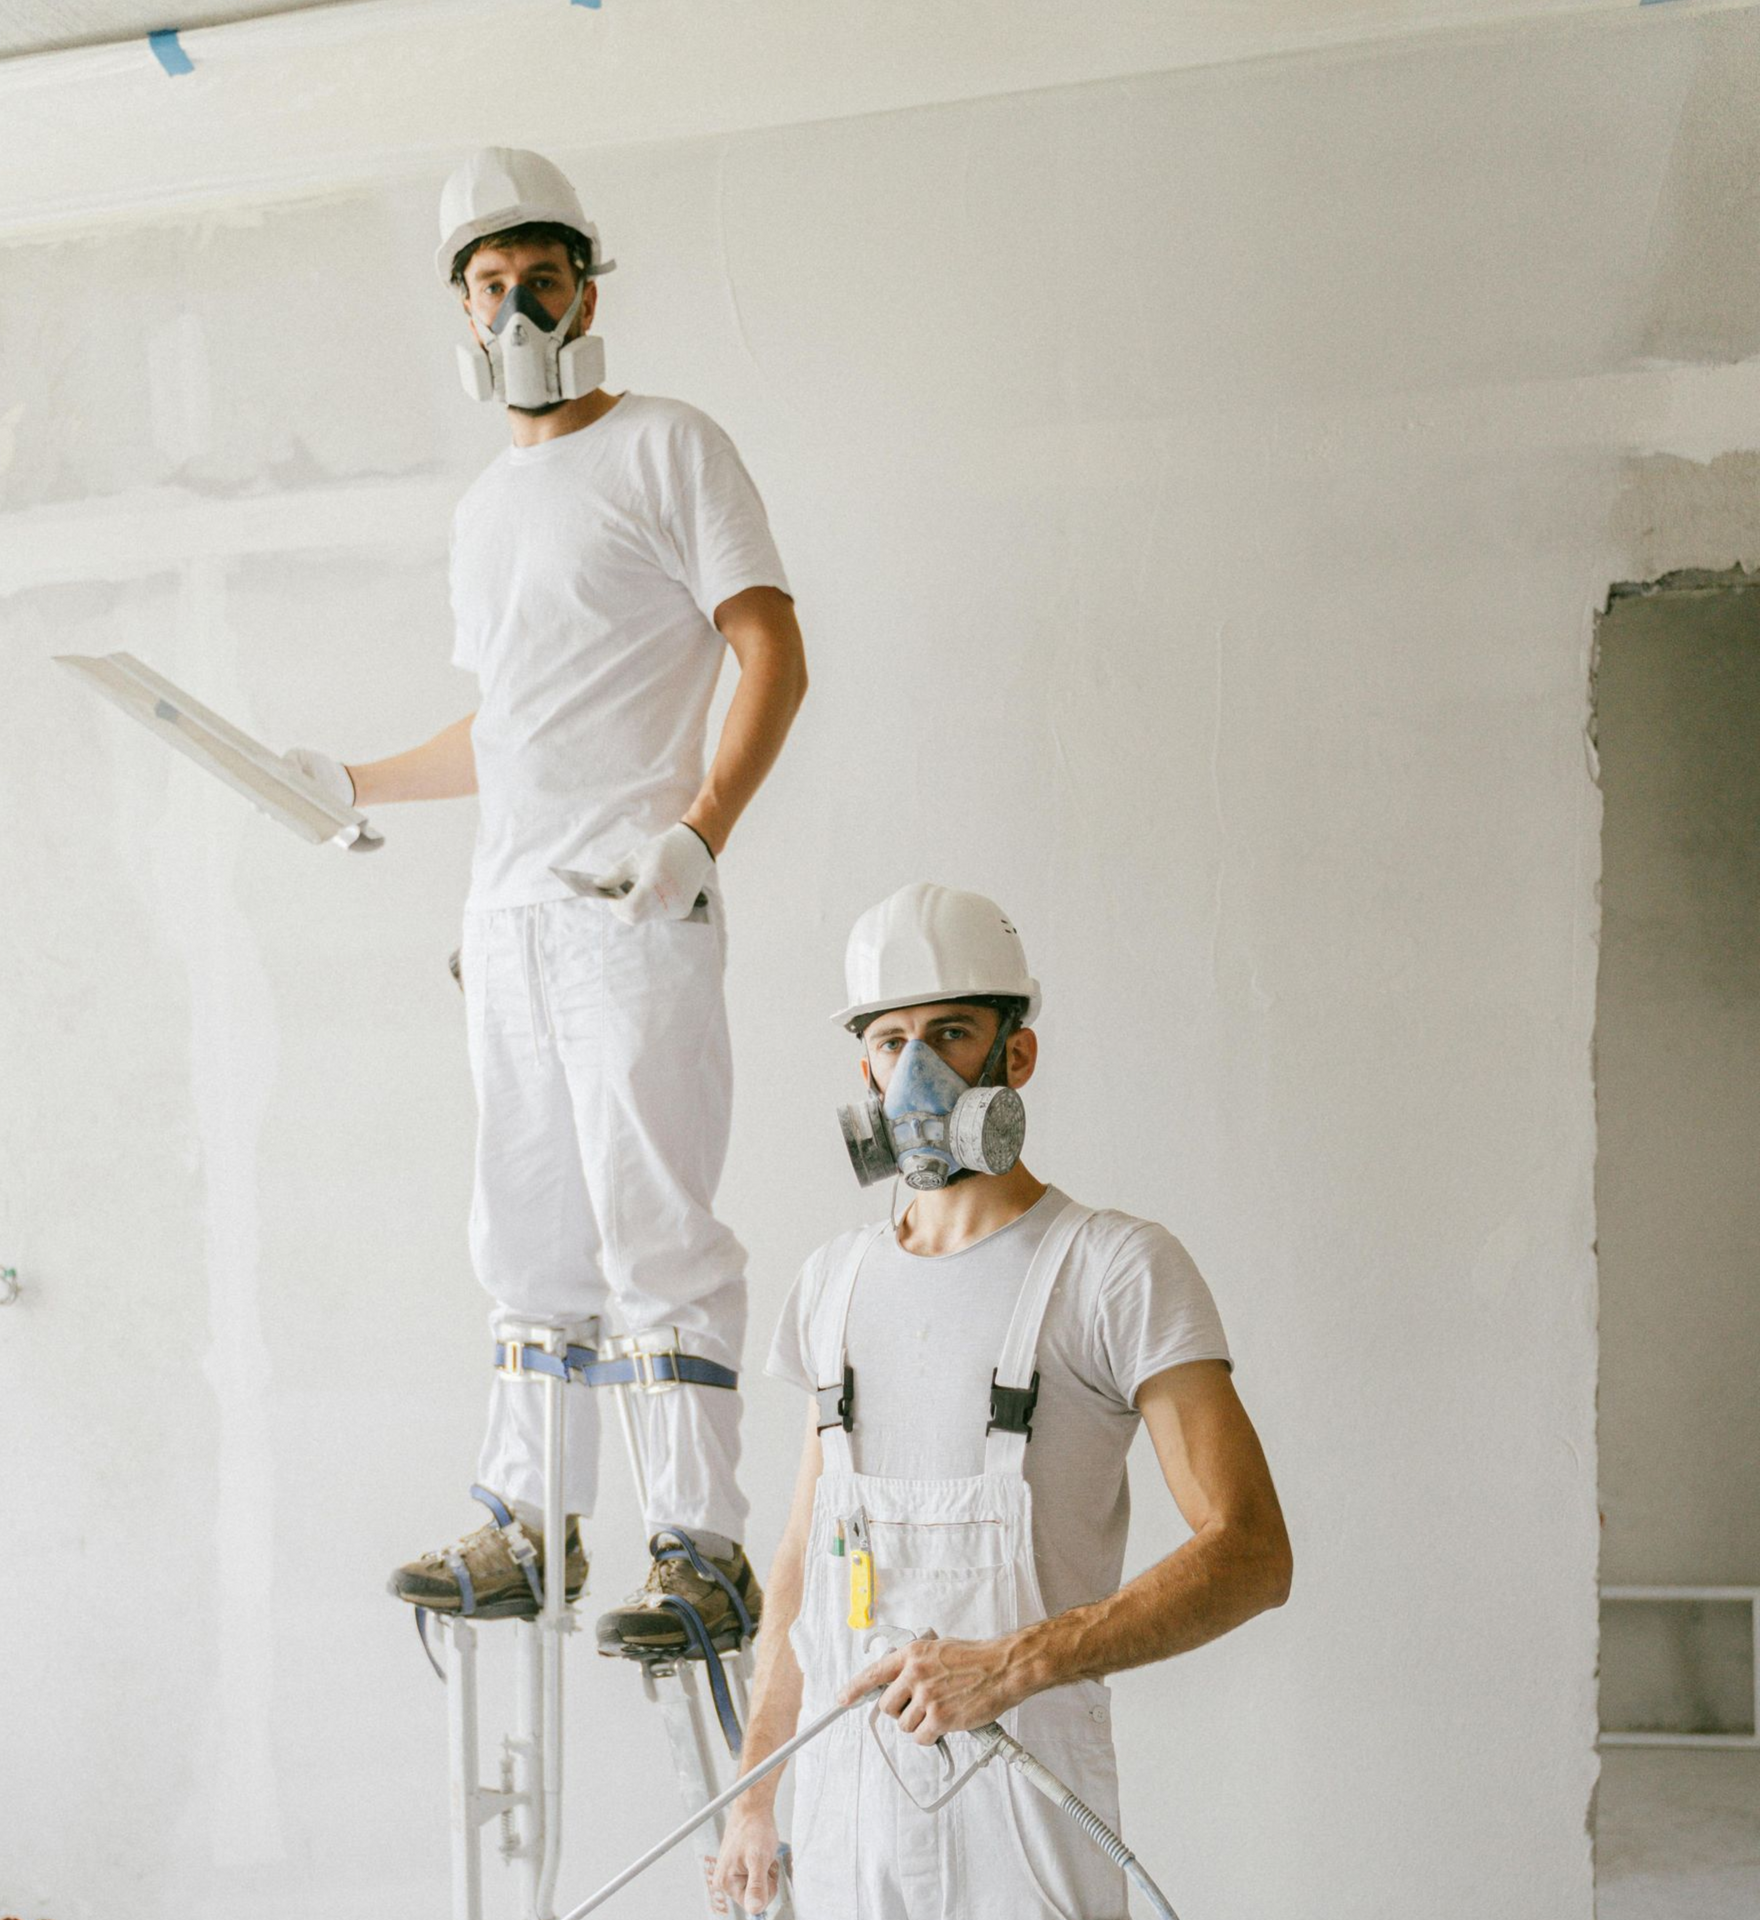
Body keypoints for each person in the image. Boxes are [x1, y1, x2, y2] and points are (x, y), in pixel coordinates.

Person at [284, 148, 807, 1658]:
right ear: (462, 309)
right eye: (491, 286)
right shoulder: (484, 512)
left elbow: (771, 652)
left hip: (630, 904)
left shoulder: (668, 448)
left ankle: (699, 1550)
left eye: (543, 279)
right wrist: (356, 780)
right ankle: (528, 1524)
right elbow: (510, 727)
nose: (518, 308)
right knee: (523, 1240)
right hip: (507, 921)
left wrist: (699, 834)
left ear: (588, 288)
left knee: (656, 1231)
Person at [712, 883, 1291, 1917]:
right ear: (864, 1070)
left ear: (1015, 1056)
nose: (917, 1074)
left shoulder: (1114, 1270)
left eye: (950, 1034)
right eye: (891, 1042)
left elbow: (1252, 1553)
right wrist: (757, 1794)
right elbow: (800, 1567)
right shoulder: (832, 1286)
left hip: (1024, 1829)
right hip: (845, 1829)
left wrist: (1015, 1665)